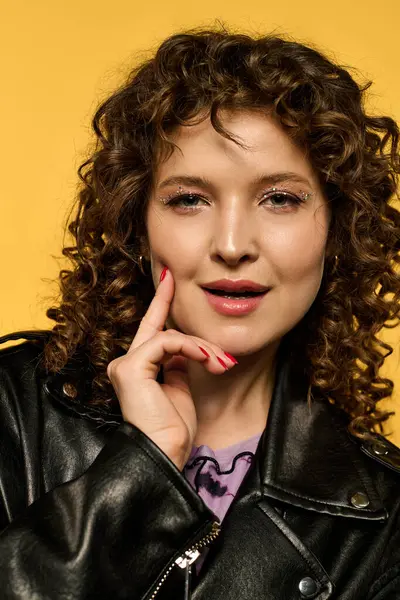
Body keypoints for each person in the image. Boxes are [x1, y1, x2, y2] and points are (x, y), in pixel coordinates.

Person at [0, 25, 399, 600]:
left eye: (280, 198)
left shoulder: (382, 523)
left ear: (338, 231)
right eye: (189, 199)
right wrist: (142, 468)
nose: (233, 243)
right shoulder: (15, 413)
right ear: (138, 230)